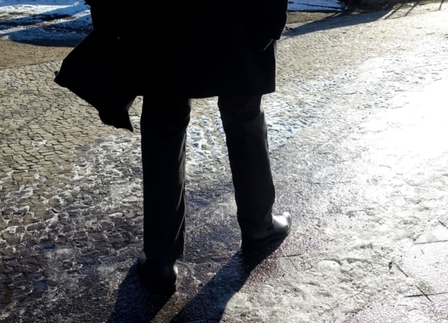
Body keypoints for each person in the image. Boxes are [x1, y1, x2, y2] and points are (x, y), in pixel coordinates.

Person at [59, 1, 291, 294]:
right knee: (244, 115)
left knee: (164, 123)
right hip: (238, 12)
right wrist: (269, 20)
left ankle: (161, 257)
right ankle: (259, 224)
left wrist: (110, 21)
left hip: (160, 17)